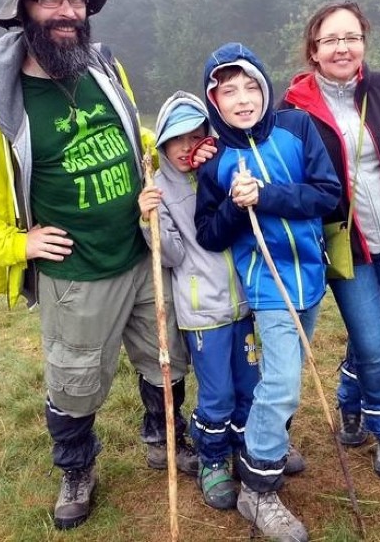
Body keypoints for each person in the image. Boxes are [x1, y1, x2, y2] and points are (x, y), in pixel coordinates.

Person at [0, 0, 197, 531]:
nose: (66, 10)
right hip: (76, 273)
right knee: (74, 383)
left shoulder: (102, 67)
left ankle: (161, 437)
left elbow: (128, 134)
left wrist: (164, 155)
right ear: (22, 10)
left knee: (166, 358)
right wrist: (15, 245)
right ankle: (76, 468)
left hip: (142, 252)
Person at [280, 1, 380, 480]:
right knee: (374, 343)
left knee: (372, 335)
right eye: (330, 40)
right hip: (345, 248)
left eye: (351, 37)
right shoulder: (293, 109)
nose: (342, 47)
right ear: (313, 50)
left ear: (364, 43)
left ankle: (349, 399)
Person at [195, 42, 341, 541]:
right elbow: (208, 233)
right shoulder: (215, 161)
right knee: (280, 383)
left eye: (250, 86)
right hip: (266, 285)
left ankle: (270, 437)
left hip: (310, 280)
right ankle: (258, 487)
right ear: (214, 101)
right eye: (228, 90)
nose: (242, 99)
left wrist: (267, 194)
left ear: (265, 87)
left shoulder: (297, 128)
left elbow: (328, 194)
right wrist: (237, 207)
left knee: (285, 375)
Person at [137, 91, 258, 511]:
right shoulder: (161, 189)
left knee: (249, 386)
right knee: (218, 393)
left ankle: (246, 449)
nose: (188, 147)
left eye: (196, 135)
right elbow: (168, 255)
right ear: (164, 144)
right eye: (177, 139)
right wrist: (147, 219)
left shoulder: (222, 171)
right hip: (202, 313)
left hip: (244, 304)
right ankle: (211, 459)